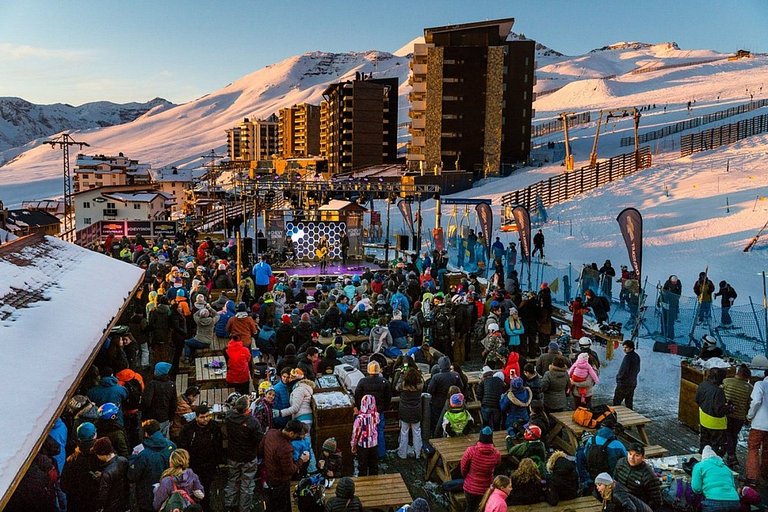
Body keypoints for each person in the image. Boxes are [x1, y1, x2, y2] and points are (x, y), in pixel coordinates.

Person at [177, 404, 222, 511]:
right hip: (194, 465)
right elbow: (182, 447)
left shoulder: (214, 427)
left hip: (209, 464)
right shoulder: (188, 429)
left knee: (206, 487)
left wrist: (217, 461)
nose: (205, 419)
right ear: (196, 417)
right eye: (202, 417)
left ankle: (205, 507)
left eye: (207, 416)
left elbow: (218, 445)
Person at [224, 394, 264, 512]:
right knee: (247, 484)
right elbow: (259, 438)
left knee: (233, 481)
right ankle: (244, 508)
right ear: (247, 408)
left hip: (233, 455)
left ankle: (230, 505)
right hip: (248, 457)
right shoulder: (253, 422)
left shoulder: (229, 416)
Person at [260, 420, 310, 512]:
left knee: (271, 504)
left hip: (268, 475)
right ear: (291, 433)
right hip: (280, 481)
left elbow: (260, 450)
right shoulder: (285, 448)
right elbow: (289, 470)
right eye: (296, 435)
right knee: (281, 506)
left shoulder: (271, 432)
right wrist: (301, 460)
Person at [128, 419, 176, 512]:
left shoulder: (142, 454)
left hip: (147, 498)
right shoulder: (171, 446)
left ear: (146, 434)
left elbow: (132, 476)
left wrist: (133, 458)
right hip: (169, 494)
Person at [354, 360, 391, 457]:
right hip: (378, 411)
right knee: (379, 431)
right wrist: (384, 408)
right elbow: (388, 397)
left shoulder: (363, 381)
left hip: (365, 413)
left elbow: (357, 396)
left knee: (365, 432)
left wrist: (360, 408)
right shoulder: (384, 382)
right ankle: (380, 453)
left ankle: (366, 454)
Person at [61, 422, 101, 512]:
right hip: (96, 503)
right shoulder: (101, 455)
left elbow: (64, 485)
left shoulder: (71, 460)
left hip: (77, 504)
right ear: (94, 436)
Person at [461, 426, 501, 512]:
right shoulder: (496, 454)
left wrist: (467, 477)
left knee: (470, 508)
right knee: (483, 508)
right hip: (486, 488)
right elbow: (497, 466)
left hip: (470, 487)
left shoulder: (471, 451)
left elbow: (463, 468)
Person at [613, 443, 663, 510]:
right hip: (621, 501)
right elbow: (615, 481)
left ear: (643, 457)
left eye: (637, 455)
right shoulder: (620, 463)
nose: (632, 458)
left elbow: (657, 501)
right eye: (630, 454)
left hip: (638, 506)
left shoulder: (649, 475)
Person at [691, 446, 741, 512]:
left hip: (713, 501)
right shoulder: (726, 469)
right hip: (734, 501)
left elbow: (696, 488)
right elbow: (733, 486)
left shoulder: (699, 465)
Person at [722, 364, 753, 467]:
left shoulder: (726, 381)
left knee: (726, 434)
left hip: (726, 414)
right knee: (733, 435)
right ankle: (731, 455)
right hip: (739, 417)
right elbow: (749, 404)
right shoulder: (750, 388)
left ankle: (726, 454)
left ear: (737, 373)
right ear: (747, 377)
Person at [92, 437, 130, 512]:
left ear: (102, 454)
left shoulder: (106, 473)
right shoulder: (123, 460)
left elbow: (103, 495)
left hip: (111, 506)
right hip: (124, 502)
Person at [696, 366, 728, 454]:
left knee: (704, 444)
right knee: (715, 447)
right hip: (716, 424)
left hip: (703, 419)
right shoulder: (718, 391)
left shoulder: (702, 385)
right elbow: (719, 411)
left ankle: (702, 458)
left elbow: (697, 400)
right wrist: (729, 408)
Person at [142, 362, 177, 438]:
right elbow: (173, 403)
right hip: (165, 418)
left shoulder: (152, 384)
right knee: (164, 438)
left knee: (151, 438)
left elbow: (146, 402)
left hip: (152, 418)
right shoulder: (171, 385)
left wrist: (144, 416)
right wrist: (171, 418)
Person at [396, 364, 424, 459]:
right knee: (417, 432)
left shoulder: (403, 385)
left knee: (404, 432)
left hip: (404, 410)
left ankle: (402, 453)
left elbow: (396, 387)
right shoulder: (420, 384)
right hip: (416, 410)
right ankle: (418, 453)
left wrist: (401, 376)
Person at [746, 368, 768, 485]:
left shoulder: (760, 384)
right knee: (766, 450)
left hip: (759, 424)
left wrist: (750, 415)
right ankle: (765, 474)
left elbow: (756, 401)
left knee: (753, 449)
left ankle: (752, 477)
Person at [351, 394, 380, 476]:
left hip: (363, 445)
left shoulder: (359, 418)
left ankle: (363, 480)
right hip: (374, 443)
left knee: (362, 466)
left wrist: (353, 445)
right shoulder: (376, 415)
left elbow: (355, 433)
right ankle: (374, 480)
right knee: (373, 465)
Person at [614, 340, 640, 409]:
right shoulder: (637, 356)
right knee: (629, 402)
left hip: (624, 383)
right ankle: (631, 413)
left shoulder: (627, 357)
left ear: (631, 348)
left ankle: (617, 415)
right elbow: (638, 369)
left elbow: (623, 370)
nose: (624, 349)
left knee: (617, 402)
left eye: (626, 348)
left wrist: (619, 379)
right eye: (624, 347)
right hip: (632, 383)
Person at [660, 275, 682, 340]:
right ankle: (663, 332)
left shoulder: (678, 284)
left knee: (670, 322)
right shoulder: (667, 283)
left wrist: (672, 296)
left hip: (673, 305)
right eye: (673, 282)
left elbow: (678, 295)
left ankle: (670, 335)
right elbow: (663, 292)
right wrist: (660, 300)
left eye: (675, 282)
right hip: (665, 304)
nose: (674, 283)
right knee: (663, 319)